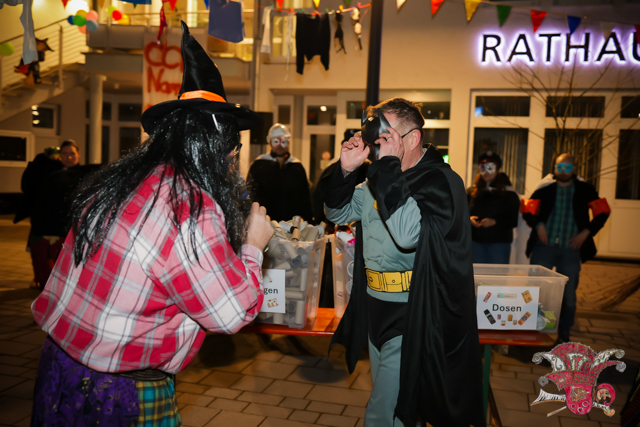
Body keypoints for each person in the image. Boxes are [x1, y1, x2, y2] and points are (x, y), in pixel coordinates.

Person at [30, 22, 274, 426]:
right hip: (118, 394)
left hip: (59, 368)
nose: (234, 159)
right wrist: (252, 246)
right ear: (216, 145)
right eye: (233, 147)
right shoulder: (189, 207)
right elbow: (230, 314)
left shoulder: (121, 180)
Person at [323, 98, 484, 427]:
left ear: (412, 139)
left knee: (385, 412)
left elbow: (409, 235)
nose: (378, 145)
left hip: (414, 312)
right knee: (402, 407)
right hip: (375, 305)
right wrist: (346, 170)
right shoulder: (379, 179)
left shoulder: (440, 181)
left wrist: (386, 170)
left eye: (386, 136)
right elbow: (336, 213)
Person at [522, 153, 610, 344]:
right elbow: (527, 210)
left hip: (571, 250)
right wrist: (539, 225)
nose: (563, 171)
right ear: (554, 169)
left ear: (574, 169)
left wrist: (587, 232)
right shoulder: (544, 190)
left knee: (569, 295)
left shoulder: (586, 190)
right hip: (543, 248)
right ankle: (538, 330)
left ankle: (563, 333)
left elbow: (603, 211)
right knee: (537, 291)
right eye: (559, 167)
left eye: (567, 167)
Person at [247, 123, 313, 221]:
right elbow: (250, 193)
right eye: (276, 142)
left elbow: (305, 198)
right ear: (270, 142)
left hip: (292, 223)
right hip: (265, 220)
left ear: (288, 143)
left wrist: (308, 221)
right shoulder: (258, 165)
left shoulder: (297, 167)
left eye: (283, 142)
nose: (279, 146)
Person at [467, 151, 520, 264]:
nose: (486, 172)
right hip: (475, 243)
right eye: (483, 167)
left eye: (490, 168)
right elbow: (461, 212)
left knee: (497, 274)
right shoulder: (471, 192)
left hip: (498, 244)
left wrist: (494, 222)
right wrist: (469, 219)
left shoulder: (509, 194)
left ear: (497, 169)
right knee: (476, 274)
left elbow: (513, 219)